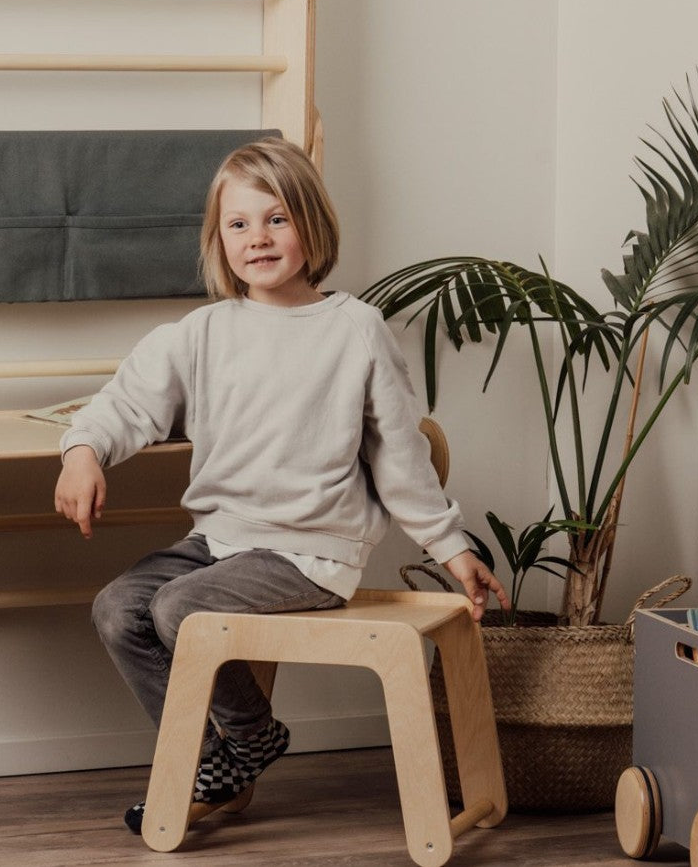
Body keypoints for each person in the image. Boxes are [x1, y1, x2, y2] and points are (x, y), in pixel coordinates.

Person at [54, 137, 507, 834]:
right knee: (120, 608)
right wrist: (83, 451)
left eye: (277, 219)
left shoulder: (354, 329)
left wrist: (450, 545)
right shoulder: (202, 333)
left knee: (180, 610)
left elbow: (401, 456)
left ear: (311, 227)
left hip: (309, 553)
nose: (257, 239)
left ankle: (247, 738)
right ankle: (223, 755)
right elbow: (126, 401)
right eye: (238, 224)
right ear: (219, 240)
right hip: (219, 543)